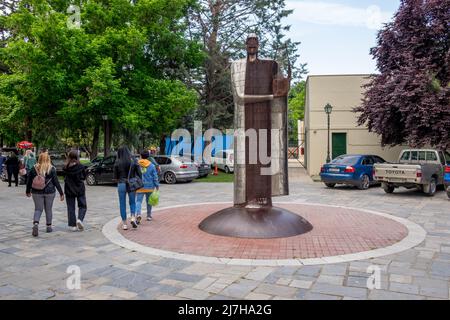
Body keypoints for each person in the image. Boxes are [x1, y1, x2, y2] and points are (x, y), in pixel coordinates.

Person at [26, 152, 64, 237]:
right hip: (50, 192)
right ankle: (49, 227)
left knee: (38, 209)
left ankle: (36, 224)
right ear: (48, 159)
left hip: (36, 191)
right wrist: (61, 193)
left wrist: (28, 191)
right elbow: (56, 182)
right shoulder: (52, 169)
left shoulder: (33, 168)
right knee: (48, 209)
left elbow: (29, 181)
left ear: (39, 159)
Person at [114, 146, 142, 230]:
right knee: (132, 202)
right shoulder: (133, 161)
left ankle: (124, 224)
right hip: (131, 183)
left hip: (121, 184)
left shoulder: (117, 162)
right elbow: (139, 173)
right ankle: (133, 217)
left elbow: (115, 177)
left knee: (122, 204)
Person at [63, 150, 87, 232]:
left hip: (69, 189)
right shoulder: (81, 167)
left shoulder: (66, 167)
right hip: (79, 188)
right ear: (77, 157)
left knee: (71, 207)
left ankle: (73, 225)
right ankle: (80, 219)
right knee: (83, 206)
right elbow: (84, 177)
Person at [135, 150, 159, 224]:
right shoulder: (151, 165)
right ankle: (148, 216)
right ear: (148, 156)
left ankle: (138, 214)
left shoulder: (137, 164)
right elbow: (155, 177)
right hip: (150, 186)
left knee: (138, 201)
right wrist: (157, 185)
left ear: (141, 156)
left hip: (140, 186)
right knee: (149, 202)